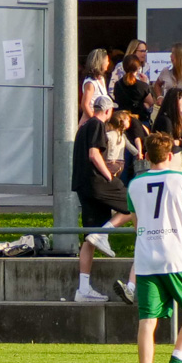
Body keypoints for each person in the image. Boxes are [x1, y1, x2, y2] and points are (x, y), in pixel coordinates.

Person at [111, 131, 182, 363]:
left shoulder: (135, 184)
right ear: (170, 154)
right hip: (176, 256)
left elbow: (137, 223)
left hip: (146, 257)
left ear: (147, 156)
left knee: (147, 320)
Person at [71, 96, 117, 303]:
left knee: (89, 237)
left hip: (83, 184)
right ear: (107, 111)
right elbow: (93, 154)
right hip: (96, 182)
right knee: (133, 204)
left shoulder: (83, 127)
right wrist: (108, 175)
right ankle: (103, 233)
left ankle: (83, 288)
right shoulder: (98, 124)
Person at [79, 49, 113, 124]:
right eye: (107, 60)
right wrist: (94, 120)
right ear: (100, 62)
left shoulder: (101, 78)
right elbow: (85, 104)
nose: (108, 63)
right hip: (90, 122)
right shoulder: (90, 83)